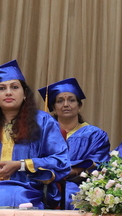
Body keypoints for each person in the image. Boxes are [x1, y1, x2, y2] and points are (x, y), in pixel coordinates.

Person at [0, 60, 70, 208]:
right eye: (2, 88)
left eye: (14, 87)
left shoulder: (43, 121)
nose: (8, 92)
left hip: (25, 188)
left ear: (25, 93)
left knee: (8, 197)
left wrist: (21, 165)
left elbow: (61, 161)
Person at [38, 78, 110, 208]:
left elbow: (99, 164)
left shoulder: (95, 135)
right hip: (44, 183)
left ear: (79, 106)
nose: (66, 104)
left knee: (70, 196)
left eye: (71, 100)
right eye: (60, 101)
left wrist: (68, 172)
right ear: (53, 107)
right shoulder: (41, 134)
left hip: (79, 185)